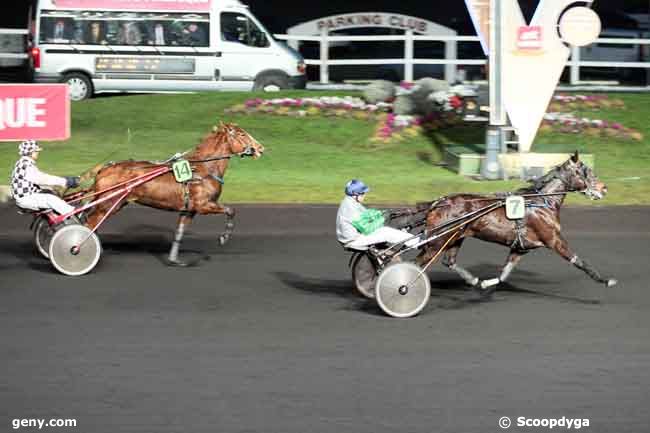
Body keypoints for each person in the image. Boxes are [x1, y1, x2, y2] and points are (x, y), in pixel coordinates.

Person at [336, 179, 420, 251]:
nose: (364, 195)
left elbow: (367, 214)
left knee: (384, 229)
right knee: (387, 232)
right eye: (362, 193)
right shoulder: (350, 207)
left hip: (353, 236)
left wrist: (384, 212)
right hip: (353, 240)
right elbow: (367, 229)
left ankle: (414, 241)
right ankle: (417, 243)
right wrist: (382, 219)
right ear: (355, 194)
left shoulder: (351, 202)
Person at [10, 140, 79, 216]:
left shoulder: (23, 163)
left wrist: (61, 181)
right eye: (36, 151)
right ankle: (73, 213)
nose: (38, 153)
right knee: (51, 199)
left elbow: (38, 178)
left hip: (26, 196)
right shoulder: (26, 166)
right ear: (30, 152)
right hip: (26, 199)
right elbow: (42, 179)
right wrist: (65, 182)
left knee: (51, 192)